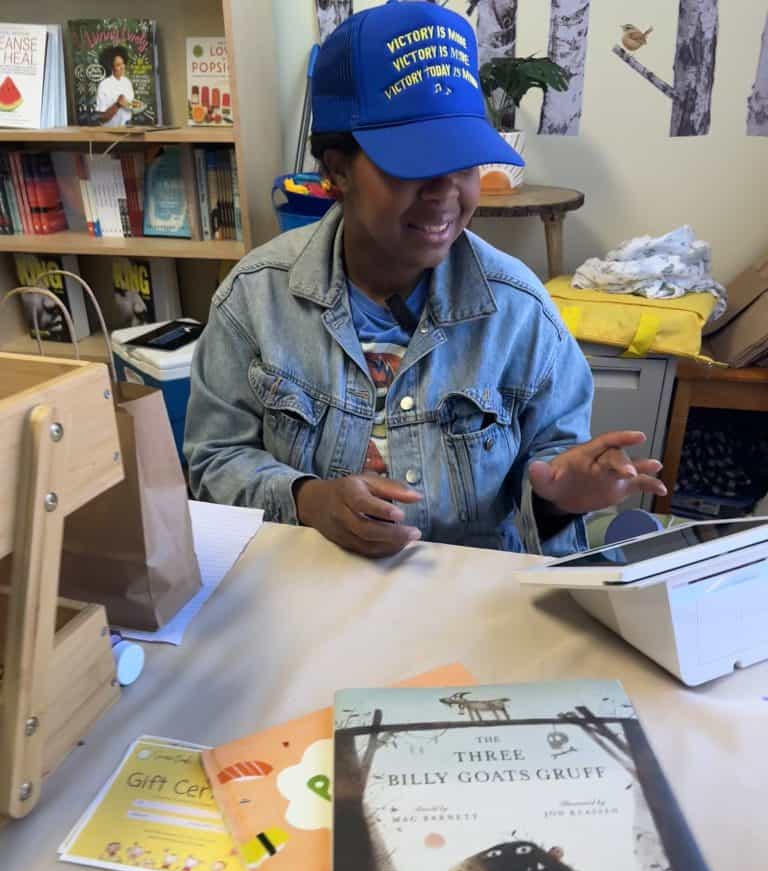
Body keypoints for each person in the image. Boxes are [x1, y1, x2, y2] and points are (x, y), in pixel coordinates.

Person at [184, 0, 666, 558]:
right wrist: (306, 499)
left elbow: (554, 474)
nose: (444, 193)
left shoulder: (520, 313)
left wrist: (565, 497)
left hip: (471, 605)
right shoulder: (254, 299)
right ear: (338, 169)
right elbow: (212, 459)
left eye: (463, 165)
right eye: (411, 166)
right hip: (307, 596)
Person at [95, 47, 135, 128]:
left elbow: (131, 106)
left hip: (127, 131)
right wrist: (117, 105)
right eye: (118, 65)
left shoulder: (127, 82)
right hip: (109, 133)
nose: (122, 67)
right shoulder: (104, 85)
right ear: (111, 67)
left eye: (123, 63)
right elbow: (102, 118)